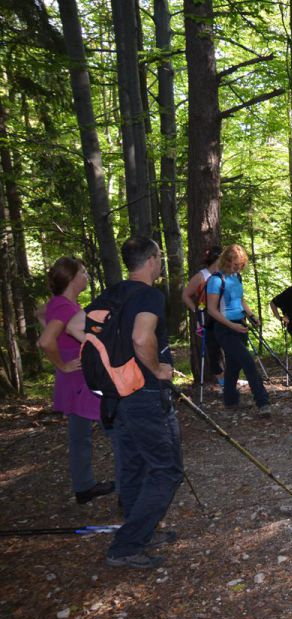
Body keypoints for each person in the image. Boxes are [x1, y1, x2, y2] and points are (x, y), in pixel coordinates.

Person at [66, 237, 183, 569]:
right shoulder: (149, 295)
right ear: (150, 261)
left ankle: (138, 531)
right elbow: (141, 337)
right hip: (143, 393)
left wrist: (107, 352)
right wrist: (157, 369)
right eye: (159, 258)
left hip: (115, 398)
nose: (160, 263)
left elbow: (76, 326)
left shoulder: (110, 293)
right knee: (167, 469)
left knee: (133, 466)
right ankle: (128, 543)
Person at [37, 257, 117, 505]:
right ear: (71, 278)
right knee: (114, 426)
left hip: (73, 375)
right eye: (83, 271)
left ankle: (84, 486)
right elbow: (44, 342)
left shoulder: (60, 304)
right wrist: (61, 362)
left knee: (79, 434)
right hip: (80, 376)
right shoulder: (65, 308)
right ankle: (131, 480)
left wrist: (61, 353)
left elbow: (39, 313)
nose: (87, 275)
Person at [205, 244, 271, 417]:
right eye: (235, 264)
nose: (238, 267)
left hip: (240, 324)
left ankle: (230, 400)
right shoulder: (216, 280)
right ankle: (263, 402)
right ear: (226, 261)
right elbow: (212, 310)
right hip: (224, 328)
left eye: (241, 265)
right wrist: (231, 325)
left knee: (234, 364)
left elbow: (240, 300)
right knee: (248, 362)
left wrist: (251, 316)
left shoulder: (237, 277)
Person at [181, 245, 224, 388]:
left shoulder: (226, 274)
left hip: (224, 315)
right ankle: (223, 383)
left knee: (231, 348)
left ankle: (229, 380)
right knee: (213, 352)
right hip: (207, 317)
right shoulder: (201, 276)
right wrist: (196, 311)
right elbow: (186, 295)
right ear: (216, 259)